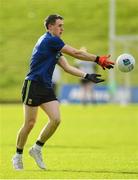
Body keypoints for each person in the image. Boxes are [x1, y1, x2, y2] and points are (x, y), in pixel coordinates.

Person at [12, 14, 114, 170]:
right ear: (50, 27)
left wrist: (87, 75)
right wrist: (98, 59)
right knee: (30, 124)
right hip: (33, 84)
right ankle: (18, 156)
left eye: (62, 25)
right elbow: (76, 53)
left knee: (56, 119)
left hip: (45, 86)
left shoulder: (53, 44)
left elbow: (67, 67)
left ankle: (36, 149)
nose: (62, 29)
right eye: (59, 25)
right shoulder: (50, 40)